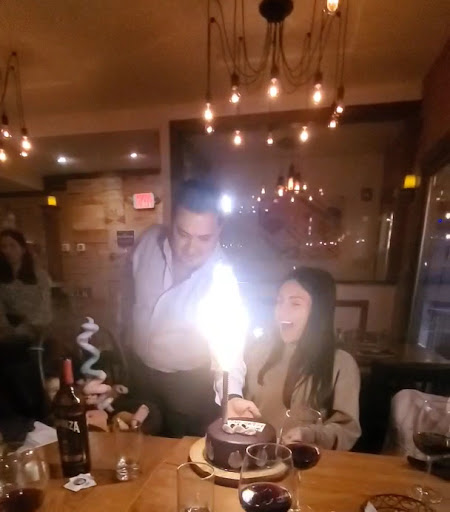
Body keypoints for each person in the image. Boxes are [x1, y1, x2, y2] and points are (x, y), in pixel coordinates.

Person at [129, 179, 259, 437]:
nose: (191, 248)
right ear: (171, 221)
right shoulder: (148, 242)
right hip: (137, 374)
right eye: (183, 234)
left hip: (186, 387)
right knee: (134, 446)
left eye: (204, 238)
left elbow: (230, 348)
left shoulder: (222, 279)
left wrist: (231, 396)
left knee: (179, 452)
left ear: (219, 230)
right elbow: (128, 293)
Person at [245, 267, 361, 450]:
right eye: (279, 301)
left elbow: (346, 430)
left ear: (318, 311)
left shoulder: (341, 363)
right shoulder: (258, 352)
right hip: (256, 456)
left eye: (295, 304)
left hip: (306, 459)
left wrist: (311, 434)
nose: (282, 311)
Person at [0, 229, 52, 341]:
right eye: (3, 246)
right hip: (8, 331)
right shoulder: (2, 278)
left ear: (23, 249)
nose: (7, 251)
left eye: (12, 246)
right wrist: (5, 328)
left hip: (37, 330)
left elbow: (45, 307)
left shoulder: (39, 276)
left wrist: (28, 327)